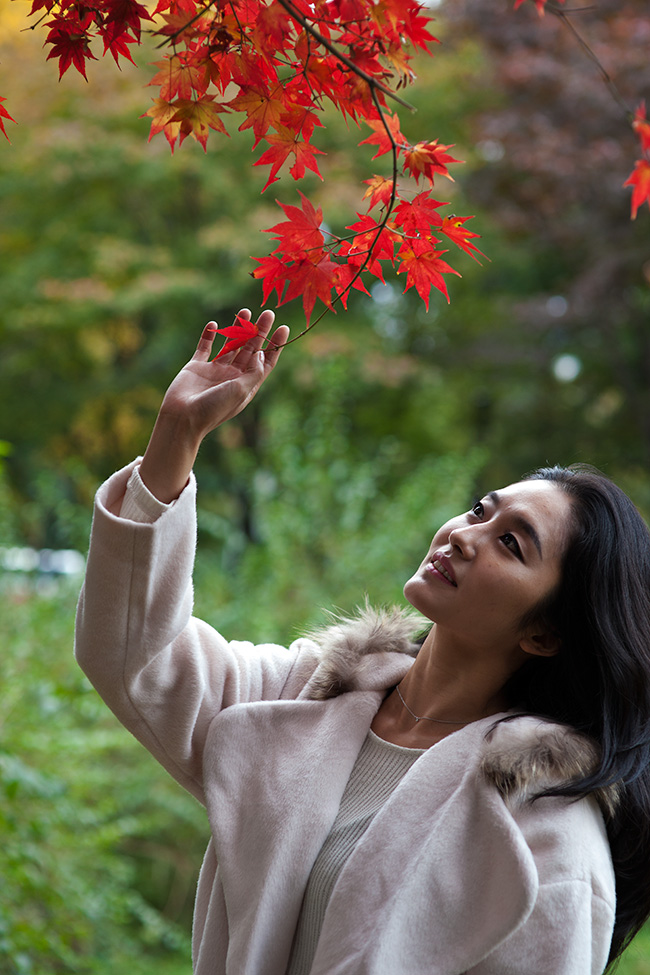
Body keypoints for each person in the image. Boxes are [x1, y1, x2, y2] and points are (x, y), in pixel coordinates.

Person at [75, 308, 650, 975]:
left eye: (511, 544)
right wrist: (176, 434)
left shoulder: (546, 839)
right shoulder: (305, 692)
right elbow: (132, 655)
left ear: (545, 632)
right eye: (481, 510)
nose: (464, 535)